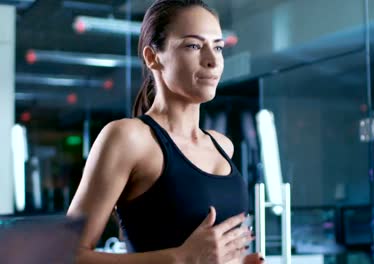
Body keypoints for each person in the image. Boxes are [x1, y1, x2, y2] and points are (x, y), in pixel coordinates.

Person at [67, 0, 264, 263]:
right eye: (194, 46)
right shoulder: (129, 139)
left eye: (217, 47)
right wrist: (180, 258)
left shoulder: (222, 146)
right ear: (153, 57)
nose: (212, 60)